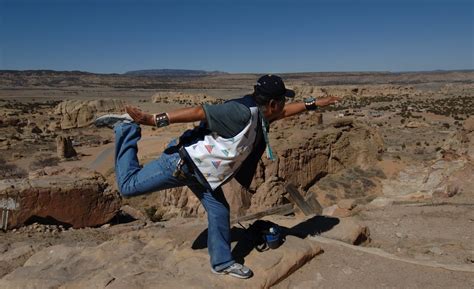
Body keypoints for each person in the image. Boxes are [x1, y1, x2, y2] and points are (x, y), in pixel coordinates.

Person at [94, 74, 340, 279]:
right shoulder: (240, 112)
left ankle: (222, 262)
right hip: (182, 164)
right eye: (282, 102)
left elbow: (288, 113)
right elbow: (198, 111)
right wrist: (150, 120)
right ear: (273, 103)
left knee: (220, 211)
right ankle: (126, 128)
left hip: (203, 175)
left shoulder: (264, 114)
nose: (284, 107)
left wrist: (315, 103)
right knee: (128, 187)